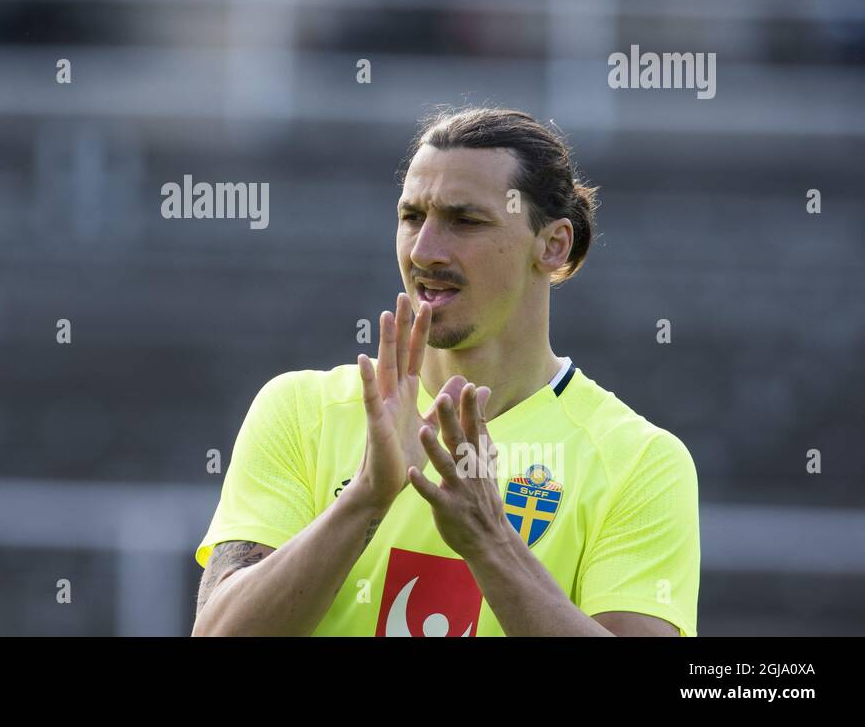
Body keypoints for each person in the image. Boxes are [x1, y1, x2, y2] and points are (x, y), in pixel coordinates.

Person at [192, 106, 700, 636]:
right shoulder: (300, 410)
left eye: (465, 221)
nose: (425, 251)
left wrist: (490, 542)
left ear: (553, 246)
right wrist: (365, 496)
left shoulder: (640, 462)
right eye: (412, 217)